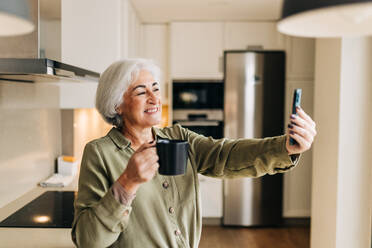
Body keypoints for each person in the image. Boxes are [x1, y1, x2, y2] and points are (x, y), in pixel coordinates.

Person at [71, 59, 317, 248]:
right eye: (141, 91)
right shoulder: (99, 153)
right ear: (117, 104)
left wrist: (284, 147)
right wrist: (127, 183)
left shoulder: (178, 137)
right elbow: (87, 240)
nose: (154, 97)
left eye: (155, 88)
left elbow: (226, 155)